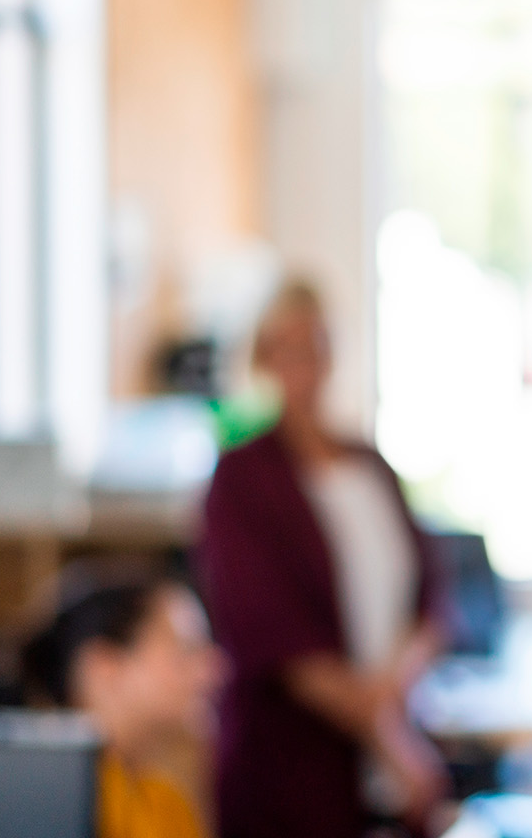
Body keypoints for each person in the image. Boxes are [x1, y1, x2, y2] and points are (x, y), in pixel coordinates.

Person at [198, 280, 451, 838]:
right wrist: (386, 736)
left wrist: (393, 695)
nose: (304, 362)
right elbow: (274, 636)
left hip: (391, 764)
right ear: (263, 359)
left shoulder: (370, 464)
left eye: (315, 344)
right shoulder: (241, 480)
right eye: (286, 347)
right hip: (291, 774)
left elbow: (429, 597)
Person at [22, 578, 221, 838]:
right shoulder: (44, 803)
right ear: (104, 668)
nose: (214, 670)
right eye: (186, 650)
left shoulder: (165, 802)